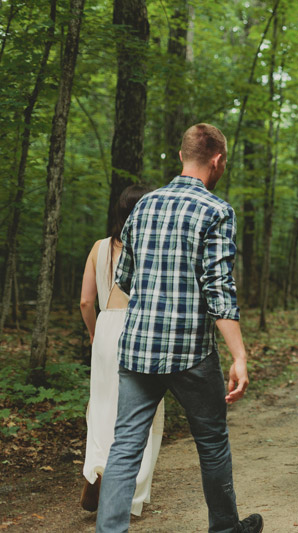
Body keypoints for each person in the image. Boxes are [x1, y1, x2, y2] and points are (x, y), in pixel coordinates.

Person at [95, 123, 262, 533]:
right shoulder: (216, 211)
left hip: (137, 349)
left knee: (125, 446)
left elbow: (126, 279)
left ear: (181, 155)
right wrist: (239, 356)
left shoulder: (143, 207)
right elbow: (218, 290)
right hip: (190, 354)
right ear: (218, 160)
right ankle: (225, 529)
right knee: (211, 443)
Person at [79, 184, 163, 515]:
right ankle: (129, 495)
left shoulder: (99, 248)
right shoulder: (151, 248)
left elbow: (86, 301)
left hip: (105, 329)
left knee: (102, 406)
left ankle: (98, 468)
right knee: (143, 411)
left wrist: (94, 334)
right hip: (138, 330)